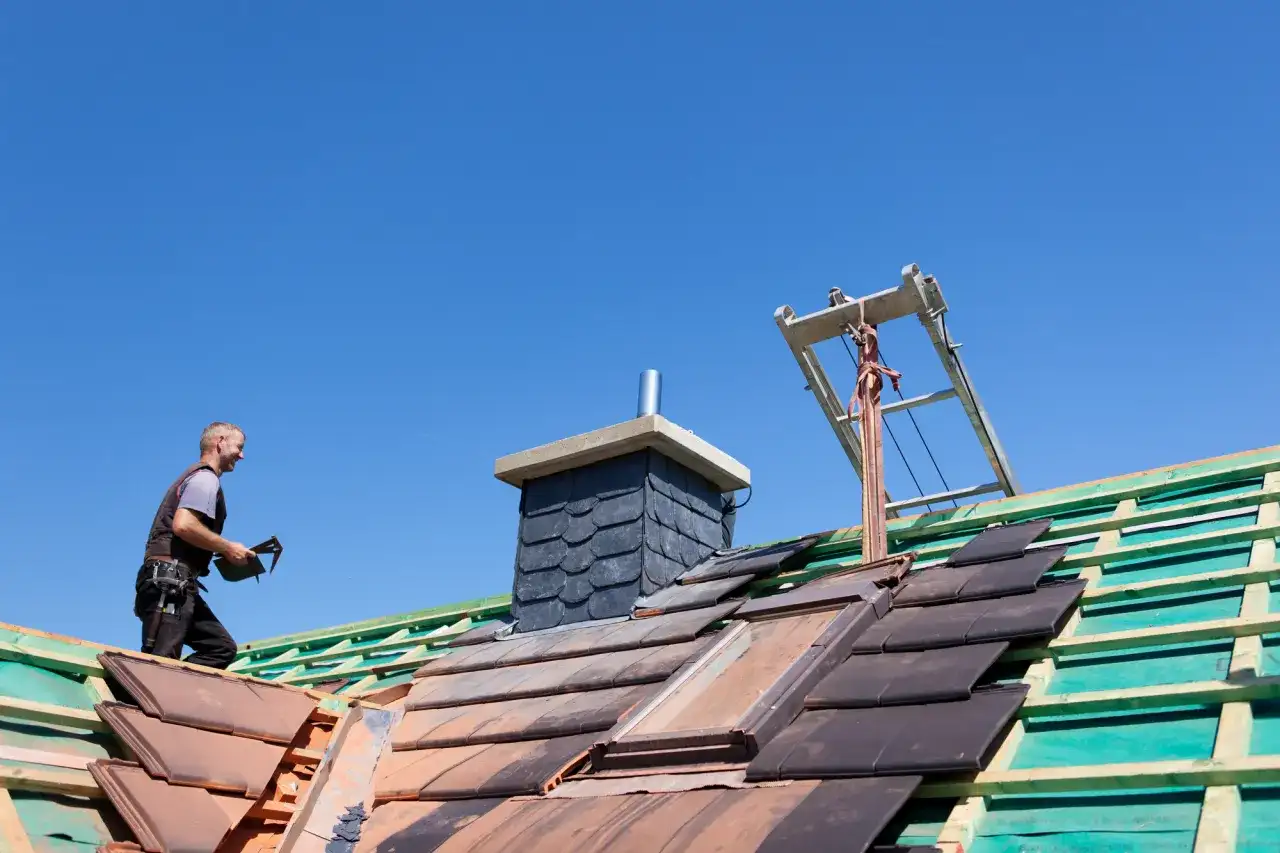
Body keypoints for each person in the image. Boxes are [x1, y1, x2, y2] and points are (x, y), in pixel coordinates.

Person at [135, 422, 256, 669]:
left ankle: (176, 683)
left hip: (175, 582)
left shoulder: (201, 479)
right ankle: (157, 685)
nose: (242, 455)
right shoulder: (205, 479)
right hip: (170, 583)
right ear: (220, 442)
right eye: (239, 447)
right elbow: (184, 525)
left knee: (220, 648)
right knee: (160, 665)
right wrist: (227, 547)